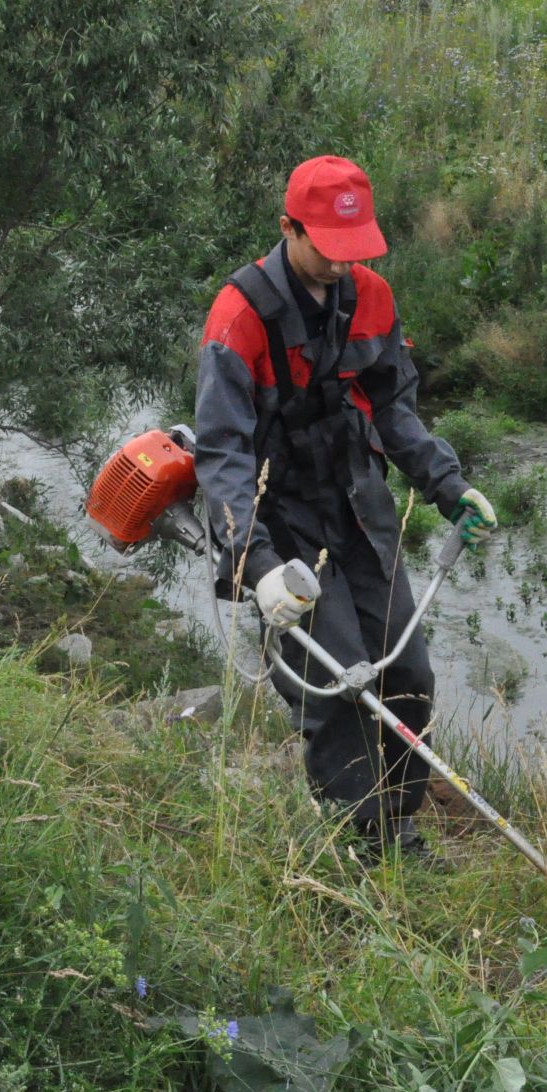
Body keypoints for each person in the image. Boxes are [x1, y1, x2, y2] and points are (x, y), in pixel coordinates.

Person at [193, 156, 495, 854]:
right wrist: (255, 561)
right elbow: (222, 455)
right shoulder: (238, 317)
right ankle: (361, 836)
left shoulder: (373, 299)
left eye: (351, 250)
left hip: (360, 507)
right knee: (336, 682)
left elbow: (394, 408)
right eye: (324, 246)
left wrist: (450, 488)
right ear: (287, 228)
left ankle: (399, 815)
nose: (338, 264)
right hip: (283, 520)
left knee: (407, 672)